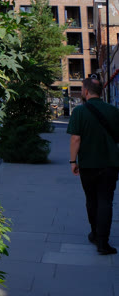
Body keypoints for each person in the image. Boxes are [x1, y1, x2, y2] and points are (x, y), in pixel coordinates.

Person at [68, 76, 119, 255]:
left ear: (86, 91)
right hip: (110, 164)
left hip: (88, 165)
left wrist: (73, 161)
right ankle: (103, 243)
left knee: (91, 200)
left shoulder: (79, 112)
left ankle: (95, 234)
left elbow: (75, 139)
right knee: (105, 201)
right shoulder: (114, 111)